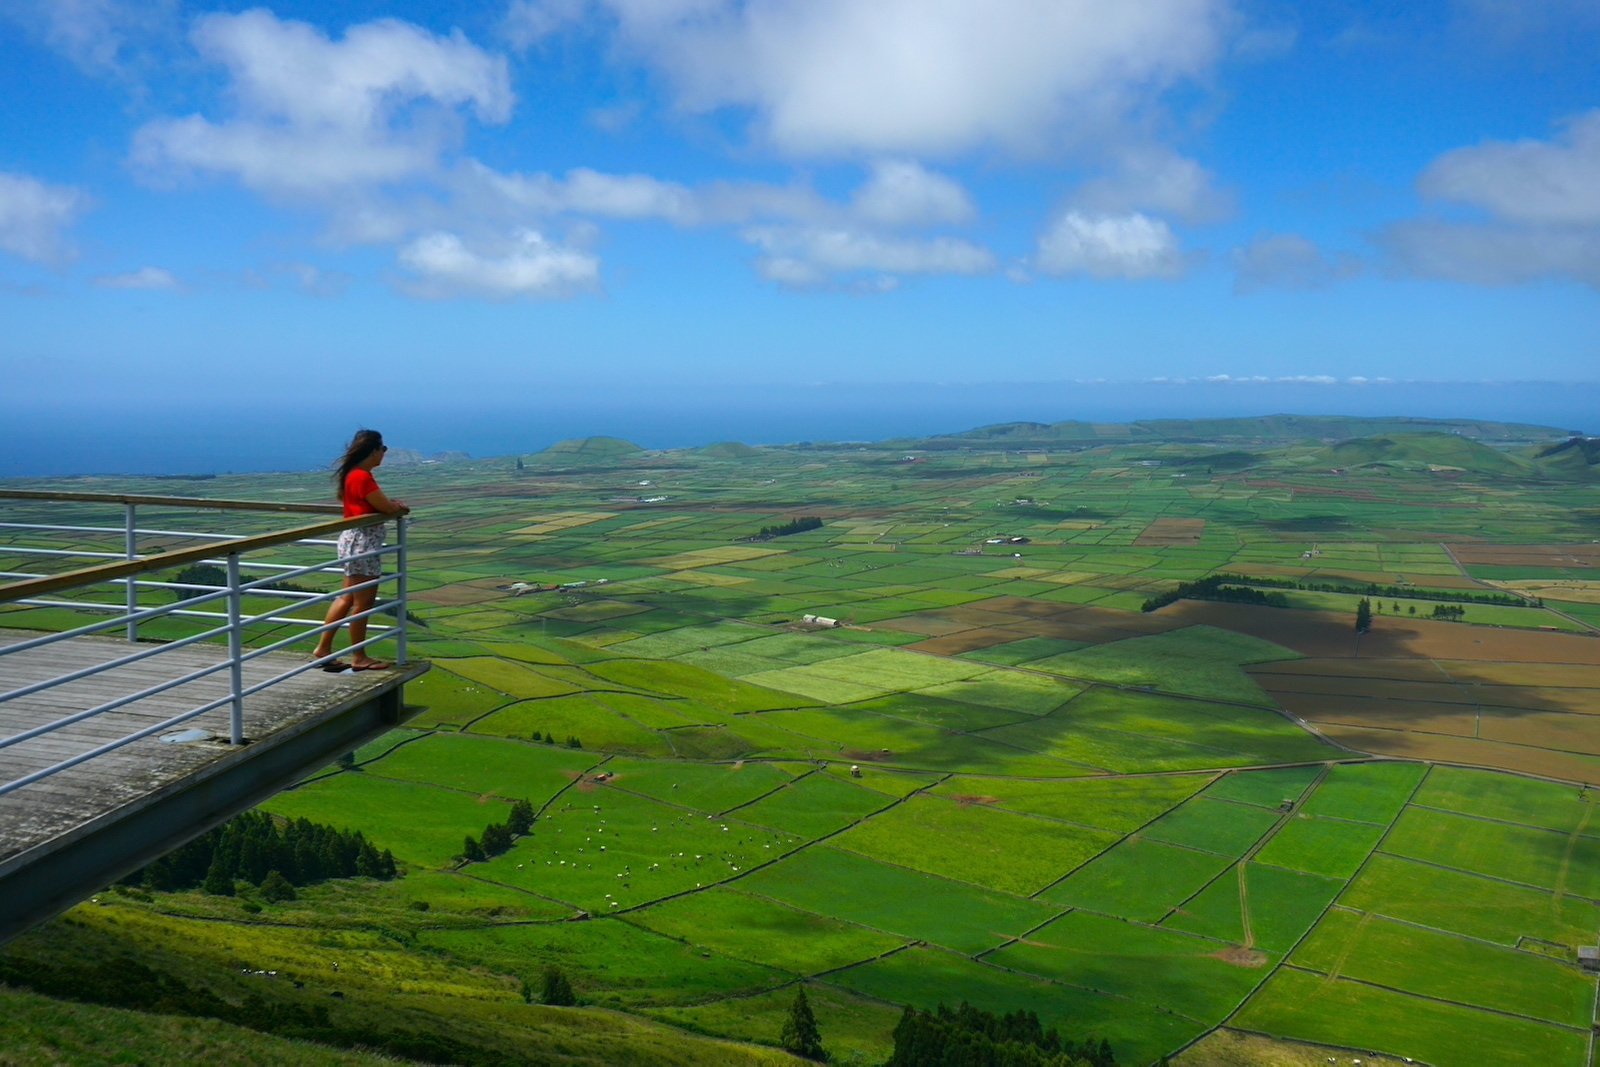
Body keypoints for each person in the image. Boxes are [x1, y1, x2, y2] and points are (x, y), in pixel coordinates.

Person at [312, 429, 410, 671]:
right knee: (363, 603)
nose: (384, 453)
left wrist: (390, 506)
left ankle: (324, 648)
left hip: (353, 541)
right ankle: (359, 656)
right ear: (373, 451)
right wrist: (398, 507)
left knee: (347, 597)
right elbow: (386, 507)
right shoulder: (363, 478)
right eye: (383, 448)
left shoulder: (352, 475)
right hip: (364, 544)